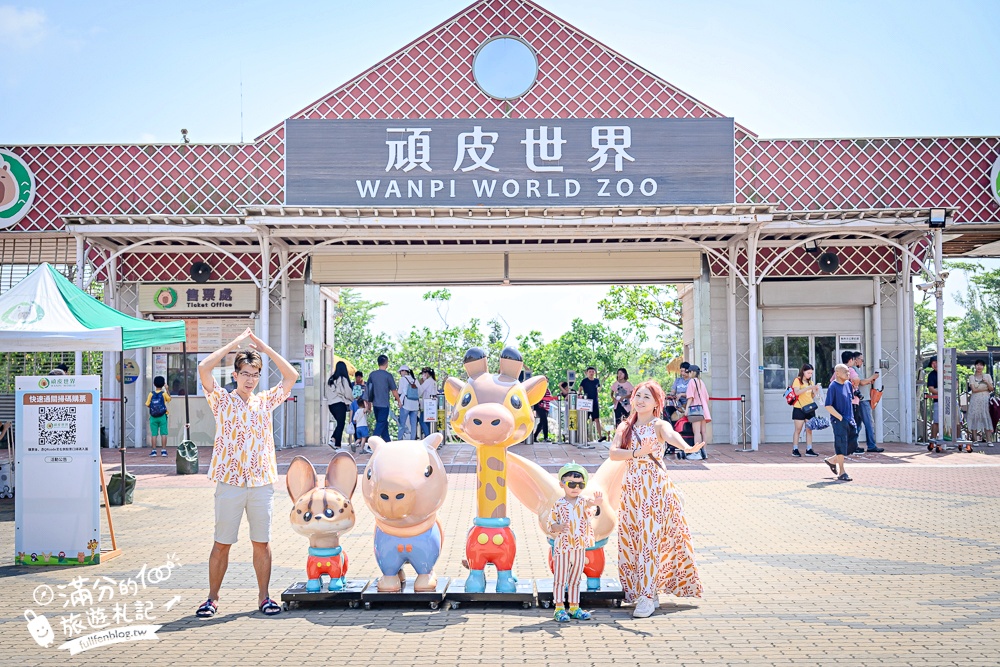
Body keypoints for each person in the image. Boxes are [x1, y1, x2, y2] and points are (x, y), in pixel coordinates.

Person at [194, 327, 298, 618]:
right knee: (222, 543)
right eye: (246, 374)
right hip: (229, 481)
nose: (251, 380)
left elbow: (291, 377)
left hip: (261, 481)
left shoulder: (265, 401)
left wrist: (265, 349)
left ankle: (264, 597)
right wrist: (234, 344)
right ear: (236, 374)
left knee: (261, 543)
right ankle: (212, 598)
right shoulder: (222, 401)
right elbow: (203, 367)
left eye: (255, 374)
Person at [609, 380, 704, 618]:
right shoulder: (625, 427)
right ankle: (646, 590)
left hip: (655, 490)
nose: (640, 400)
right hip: (632, 490)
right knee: (635, 542)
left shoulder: (659, 424)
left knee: (651, 541)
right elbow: (613, 453)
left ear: (656, 404)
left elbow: (672, 436)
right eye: (637, 396)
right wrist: (636, 453)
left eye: (646, 397)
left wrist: (688, 447)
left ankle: (648, 597)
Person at [546, 462, 602, 622]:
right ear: (562, 484)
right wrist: (558, 526)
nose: (575, 487)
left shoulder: (583, 502)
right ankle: (558, 608)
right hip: (563, 547)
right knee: (560, 578)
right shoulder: (559, 504)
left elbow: (593, 508)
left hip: (579, 547)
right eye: (571, 483)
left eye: (580, 484)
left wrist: (598, 503)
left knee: (576, 578)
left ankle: (574, 607)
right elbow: (551, 524)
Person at [824, 363, 856, 482]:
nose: (848, 374)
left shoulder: (848, 384)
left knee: (853, 445)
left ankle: (832, 460)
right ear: (837, 373)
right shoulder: (833, 386)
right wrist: (840, 417)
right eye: (845, 372)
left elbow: (850, 401)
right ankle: (842, 472)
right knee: (841, 444)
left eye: (848, 372)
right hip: (839, 421)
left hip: (850, 419)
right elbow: (828, 405)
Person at [852, 352, 883, 453]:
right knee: (868, 423)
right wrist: (873, 377)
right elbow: (862, 382)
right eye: (861, 360)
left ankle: (854, 445)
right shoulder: (853, 370)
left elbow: (863, 382)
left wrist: (870, 380)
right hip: (862, 400)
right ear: (855, 359)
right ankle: (871, 445)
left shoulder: (856, 370)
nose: (862, 362)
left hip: (862, 399)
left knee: (858, 424)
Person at [367, 354, 401, 442]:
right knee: (381, 423)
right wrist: (399, 401)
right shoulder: (388, 376)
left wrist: (369, 404)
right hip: (384, 404)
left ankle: (388, 443)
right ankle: (372, 444)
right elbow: (394, 391)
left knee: (383, 424)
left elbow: (368, 391)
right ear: (386, 363)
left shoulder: (372, 375)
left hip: (375, 404)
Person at [791, 364, 821, 457]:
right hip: (799, 408)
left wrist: (815, 390)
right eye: (808, 373)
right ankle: (795, 448)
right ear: (803, 371)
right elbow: (797, 392)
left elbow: (812, 396)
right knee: (798, 429)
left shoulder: (811, 382)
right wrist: (808, 388)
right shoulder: (797, 380)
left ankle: (809, 448)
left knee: (809, 429)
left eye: (811, 373)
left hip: (810, 408)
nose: (810, 375)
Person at [966, 359, 994, 451]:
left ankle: (989, 440)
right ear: (975, 366)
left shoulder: (987, 376)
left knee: (986, 417)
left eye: (981, 365)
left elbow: (991, 388)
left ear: (983, 367)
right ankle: (975, 440)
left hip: (985, 400)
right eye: (977, 365)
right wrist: (985, 389)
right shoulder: (971, 377)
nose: (979, 367)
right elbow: (973, 390)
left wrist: (986, 383)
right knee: (975, 418)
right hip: (975, 400)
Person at [326, 361, 353, 449]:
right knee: (341, 424)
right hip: (339, 404)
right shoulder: (343, 379)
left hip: (331, 405)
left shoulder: (331, 379)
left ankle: (334, 440)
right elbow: (348, 392)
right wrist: (352, 399)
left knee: (339, 423)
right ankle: (336, 444)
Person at [684, 365, 711, 452]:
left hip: (695, 409)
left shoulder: (691, 381)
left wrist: (687, 409)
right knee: (703, 431)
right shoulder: (701, 382)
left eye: (689, 372)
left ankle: (696, 451)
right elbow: (707, 397)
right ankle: (704, 451)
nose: (688, 374)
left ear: (692, 372)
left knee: (696, 432)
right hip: (703, 409)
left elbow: (690, 397)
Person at [145, 375, 171, 458]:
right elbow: (169, 399)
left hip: (153, 417)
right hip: (163, 415)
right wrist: (167, 389)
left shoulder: (151, 394)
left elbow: (147, 404)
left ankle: (154, 451)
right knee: (163, 433)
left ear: (154, 384)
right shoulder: (163, 394)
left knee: (154, 434)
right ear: (163, 384)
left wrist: (153, 409)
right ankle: (163, 451)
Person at [578, 366, 605, 442]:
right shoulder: (584, 381)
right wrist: (580, 396)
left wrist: (597, 398)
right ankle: (582, 436)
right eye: (590, 372)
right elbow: (580, 389)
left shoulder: (597, 381)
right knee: (585, 419)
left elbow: (597, 390)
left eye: (593, 372)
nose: (591, 373)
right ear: (587, 373)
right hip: (586, 402)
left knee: (597, 419)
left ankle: (600, 436)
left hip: (595, 402)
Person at [397, 365, 420, 440]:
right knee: (413, 424)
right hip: (415, 404)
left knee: (402, 423)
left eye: (401, 371)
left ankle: (399, 440)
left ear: (403, 371)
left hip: (405, 404)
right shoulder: (415, 380)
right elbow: (420, 391)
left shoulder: (402, 379)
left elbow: (400, 391)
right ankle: (412, 440)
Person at [418, 367, 437, 438]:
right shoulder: (434, 381)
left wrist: (420, 383)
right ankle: (430, 436)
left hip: (427, 404)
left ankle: (428, 436)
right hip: (433, 404)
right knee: (429, 422)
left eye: (423, 373)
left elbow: (420, 391)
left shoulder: (428, 381)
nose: (423, 375)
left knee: (422, 421)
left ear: (427, 373)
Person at [926, 356, 939, 445]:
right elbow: (931, 389)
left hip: (950, 400)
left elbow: (955, 385)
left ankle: (957, 438)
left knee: (955, 420)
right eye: (932, 363)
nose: (935, 365)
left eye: (936, 362)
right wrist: (942, 392)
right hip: (937, 400)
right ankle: (933, 439)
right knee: (936, 420)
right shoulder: (931, 375)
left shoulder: (949, 372)